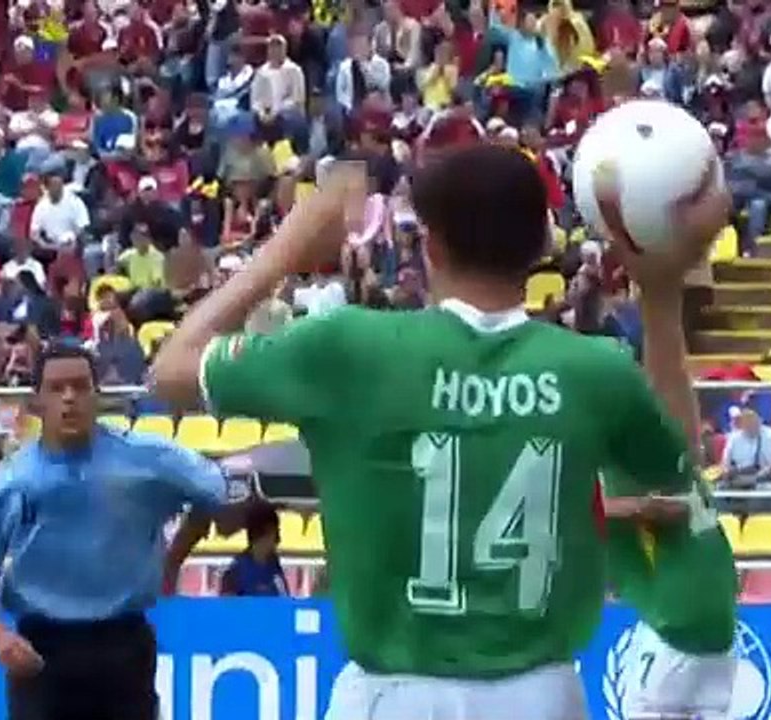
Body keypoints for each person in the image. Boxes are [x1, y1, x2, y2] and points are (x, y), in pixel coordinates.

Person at [152, 147, 732, 720]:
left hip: (389, 694)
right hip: (539, 695)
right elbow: (678, 475)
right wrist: (659, 294)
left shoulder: (351, 347)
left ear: (429, 246)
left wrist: (286, 248)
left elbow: (171, 370)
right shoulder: (595, 370)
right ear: (540, 246)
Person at [0, 343, 232, 720]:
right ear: (37, 401)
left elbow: (215, 491)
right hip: (41, 651)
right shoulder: (10, 483)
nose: (70, 398)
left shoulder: (147, 459)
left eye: (81, 386)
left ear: (97, 395)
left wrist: (174, 558)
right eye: (57, 388)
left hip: (124, 647)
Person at [220, 501, 289, 596]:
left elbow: (285, 601)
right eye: (275, 534)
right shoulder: (235, 573)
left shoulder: (275, 567)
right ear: (261, 535)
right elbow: (227, 608)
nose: (278, 541)